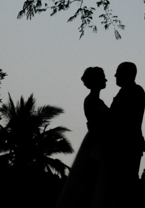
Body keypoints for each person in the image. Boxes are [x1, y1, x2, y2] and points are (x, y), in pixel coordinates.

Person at [56, 67, 110, 208]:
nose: (106, 80)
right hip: (97, 143)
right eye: (102, 77)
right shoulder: (92, 100)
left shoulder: (94, 100)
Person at [108, 62, 145, 208]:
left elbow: (118, 119)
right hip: (128, 145)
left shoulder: (132, 91)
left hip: (126, 146)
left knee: (123, 189)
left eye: (118, 72)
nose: (115, 75)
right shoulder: (131, 91)